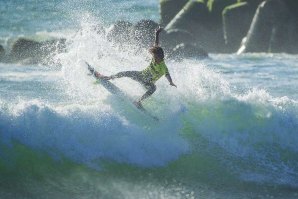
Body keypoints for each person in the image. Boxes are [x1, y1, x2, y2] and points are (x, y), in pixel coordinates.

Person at [95, 27, 177, 108]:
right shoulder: (156, 55)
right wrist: (157, 33)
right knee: (126, 73)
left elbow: (167, 74)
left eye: (155, 57)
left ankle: (139, 101)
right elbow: (156, 45)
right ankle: (108, 77)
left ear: (160, 57)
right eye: (153, 56)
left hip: (148, 83)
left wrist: (171, 82)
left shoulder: (163, 67)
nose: (153, 59)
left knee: (153, 88)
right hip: (140, 75)